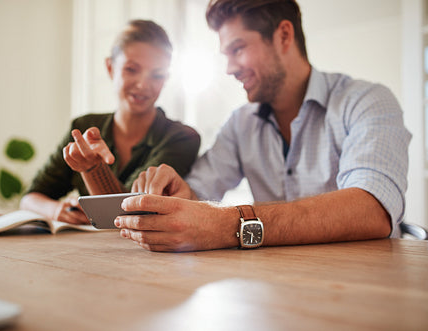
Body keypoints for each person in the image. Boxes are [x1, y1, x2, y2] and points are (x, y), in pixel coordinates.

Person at [114, 0, 411, 252]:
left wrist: (229, 224)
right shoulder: (240, 124)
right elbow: (198, 191)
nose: (229, 68)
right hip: (276, 289)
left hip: (364, 289)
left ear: (283, 36)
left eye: (238, 49)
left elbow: (372, 210)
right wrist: (179, 195)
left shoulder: (367, 101)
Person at [20, 20, 200, 225]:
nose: (143, 85)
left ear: (166, 78)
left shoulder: (182, 138)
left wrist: (93, 170)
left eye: (157, 75)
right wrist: (57, 210)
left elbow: (130, 211)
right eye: (131, 69)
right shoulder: (83, 126)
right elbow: (30, 197)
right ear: (110, 67)